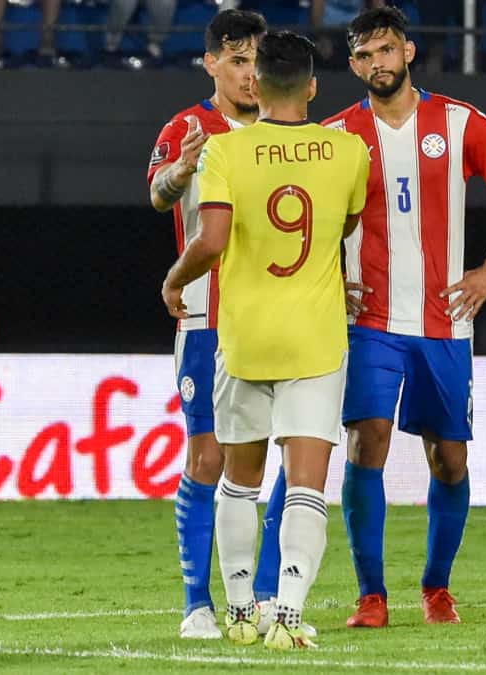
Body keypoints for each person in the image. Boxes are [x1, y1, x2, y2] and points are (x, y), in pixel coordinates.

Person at [325, 6, 486, 628]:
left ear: (408, 51)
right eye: (363, 55)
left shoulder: (460, 121)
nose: (376, 63)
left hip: (445, 323)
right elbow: (306, 220)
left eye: (386, 50)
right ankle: (372, 596)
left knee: (450, 459)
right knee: (368, 444)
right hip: (372, 321)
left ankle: (437, 587)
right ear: (353, 64)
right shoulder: (336, 135)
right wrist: (332, 281)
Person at [162, 30, 369, 650]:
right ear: (311, 86)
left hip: (246, 336)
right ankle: (288, 613)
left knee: (237, 481)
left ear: (260, 84)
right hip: (315, 338)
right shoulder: (348, 150)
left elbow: (212, 239)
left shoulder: (227, 151)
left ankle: (240, 610)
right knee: (306, 484)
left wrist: (175, 281)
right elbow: (345, 224)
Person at [147, 8, 298, 641]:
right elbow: (158, 194)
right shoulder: (188, 128)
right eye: (235, 61)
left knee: (290, 449)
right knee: (208, 456)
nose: (247, 74)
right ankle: (196, 604)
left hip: (276, 317)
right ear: (210, 62)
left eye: (254, 61)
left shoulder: (287, 130)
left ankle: (264, 594)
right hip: (207, 320)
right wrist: (182, 169)